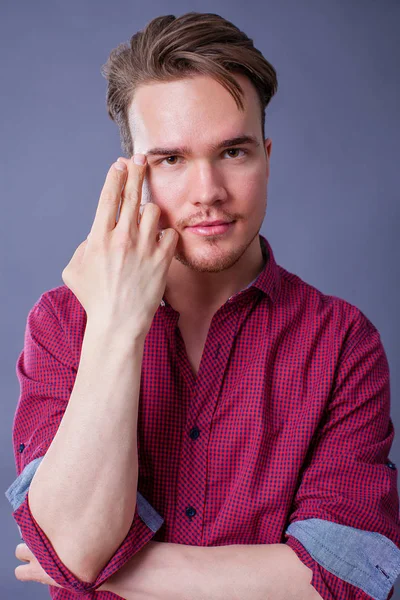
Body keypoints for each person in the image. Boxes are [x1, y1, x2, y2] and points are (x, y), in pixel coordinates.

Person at [5, 11, 400, 600]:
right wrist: (117, 326)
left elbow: (346, 578)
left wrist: (104, 570)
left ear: (266, 156)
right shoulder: (65, 323)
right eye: (170, 159)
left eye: (234, 152)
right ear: (131, 176)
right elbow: (78, 544)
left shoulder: (342, 341)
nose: (208, 190)